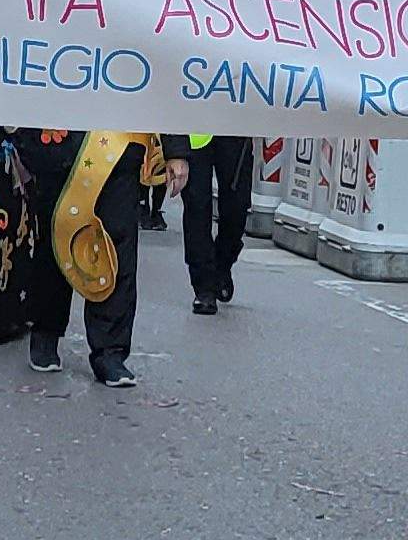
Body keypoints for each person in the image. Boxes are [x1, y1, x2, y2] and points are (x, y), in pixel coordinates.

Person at [16, 129, 165, 386]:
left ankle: (110, 352)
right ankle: (46, 331)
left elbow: (161, 93)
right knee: (55, 241)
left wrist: (177, 153)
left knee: (117, 251)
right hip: (59, 145)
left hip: (121, 147)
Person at [179, 131, 250, 314]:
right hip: (196, 134)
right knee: (197, 208)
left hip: (235, 131)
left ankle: (222, 264)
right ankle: (204, 288)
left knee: (237, 208)